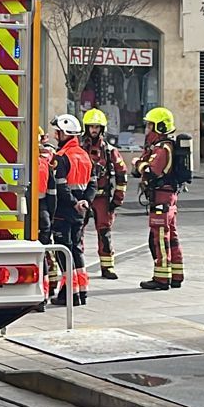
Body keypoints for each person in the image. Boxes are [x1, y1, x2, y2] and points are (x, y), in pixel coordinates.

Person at [45, 114, 92, 306]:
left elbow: (61, 187)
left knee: (64, 252)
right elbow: (93, 184)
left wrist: (73, 202)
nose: (56, 136)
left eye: (58, 132)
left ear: (65, 133)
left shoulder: (62, 157)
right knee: (76, 250)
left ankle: (69, 294)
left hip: (64, 212)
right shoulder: (84, 155)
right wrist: (85, 202)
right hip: (80, 212)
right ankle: (82, 292)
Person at [135, 106, 184, 290]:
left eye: (150, 126)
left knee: (160, 238)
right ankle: (176, 274)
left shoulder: (162, 148)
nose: (148, 129)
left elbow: (151, 171)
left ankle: (162, 278)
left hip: (161, 198)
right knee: (172, 237)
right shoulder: (164, 146)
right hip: (168, 197)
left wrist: (139, 164)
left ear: (160, 127)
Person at [80, 108, 127, 280]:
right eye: (91, 126)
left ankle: (107, 267)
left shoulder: (109, 150)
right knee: (78, 232)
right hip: (83, 196)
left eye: (97, 127)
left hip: (102, 198)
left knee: (104, 232)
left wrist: (117, 199)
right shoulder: (79, 149)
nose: (94, 130)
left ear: (102, 129)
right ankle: (79, 266)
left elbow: (122, 173)